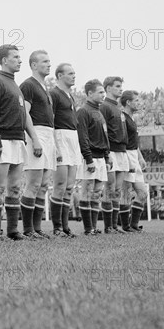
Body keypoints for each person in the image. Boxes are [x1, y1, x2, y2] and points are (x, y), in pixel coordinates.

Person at [0, 44, 32, 241]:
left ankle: (13, 230)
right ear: (4, 60)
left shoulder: (15, 85)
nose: (20, 60)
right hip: (3, 139)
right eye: (15, 57)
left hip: (17, 139)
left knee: (15, 187)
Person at [19, 50, 56, 239]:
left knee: (43, 185)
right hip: (37, 134)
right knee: (33, 184)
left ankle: (37, 228)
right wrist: (34, 139)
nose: (49, 64)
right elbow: (24, 113)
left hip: (48, 135)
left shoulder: (44, 87)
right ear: (33, 65)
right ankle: (27, 229)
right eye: (44, 61)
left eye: (49, 61)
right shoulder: (28, 85)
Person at [76, 79, 111, 235]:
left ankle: (94, 227)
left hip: (101, 157)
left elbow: (104, 136)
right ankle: (87, 228)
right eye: (100, 92)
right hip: (89, 157)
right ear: (90, 93)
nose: (103, 95)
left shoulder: (99, 112)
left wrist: (107, 155)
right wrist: (88, 159)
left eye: (104, 92)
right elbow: (82, 137)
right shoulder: (83, 111)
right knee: (87, 190)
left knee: (97, 192)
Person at [49, 63, 81, 238]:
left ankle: (66, 226)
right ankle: (57, 228)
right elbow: (51, 120)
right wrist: (55, 145)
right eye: (70, 73)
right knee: (60, 185)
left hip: (72, 138)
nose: (74, 76)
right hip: (60, 137)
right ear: (60, 76)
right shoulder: (54, 94)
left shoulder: (71, 96)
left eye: (74, 73)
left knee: (69, 187)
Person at [99, 76, 130, 234]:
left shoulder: (118, 107)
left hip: (122, 151)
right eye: (117, 86)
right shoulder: (104, 106)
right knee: (109, 187)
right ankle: (107, 226)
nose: (120, 89)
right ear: (108, 88)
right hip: (111, 150)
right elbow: (102, 130)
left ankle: (115, 226)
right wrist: (106, 152)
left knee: (118, 189)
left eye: (121, 86)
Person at [120, 90, 147, 232]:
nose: (139, 103)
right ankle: (125, 226)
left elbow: (134, 142)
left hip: (134, 156)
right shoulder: (122, 117)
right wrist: (127, 160)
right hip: (125, 156)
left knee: (142, 193)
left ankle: (134, 224)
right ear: (128, 102)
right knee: (125, 193)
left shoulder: (132, 118)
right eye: (136, 100)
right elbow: (123, 141)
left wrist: (140, 157)